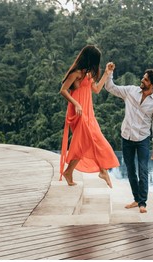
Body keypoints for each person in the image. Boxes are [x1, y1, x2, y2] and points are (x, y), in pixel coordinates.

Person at [104, 62, 153, 213]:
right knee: (130, 171)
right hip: (126, 138)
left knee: (143, 170)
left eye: (146, 79)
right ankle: (136, 199)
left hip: (143, 139)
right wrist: (109, 73)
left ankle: (143, 203)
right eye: (143, 78)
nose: (142, 80)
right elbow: (111, 88)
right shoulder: (130, 91)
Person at [59, 45, 119, 188]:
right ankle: (102, 170)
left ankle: (69, 172)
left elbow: (97, 89)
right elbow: (63, 90)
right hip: (78, 111)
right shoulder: (76, 73)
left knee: (86, 141)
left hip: (88, 112)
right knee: (91, 139)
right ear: (89, 59)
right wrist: (76, 104)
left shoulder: (88, 75)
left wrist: (107, 73)